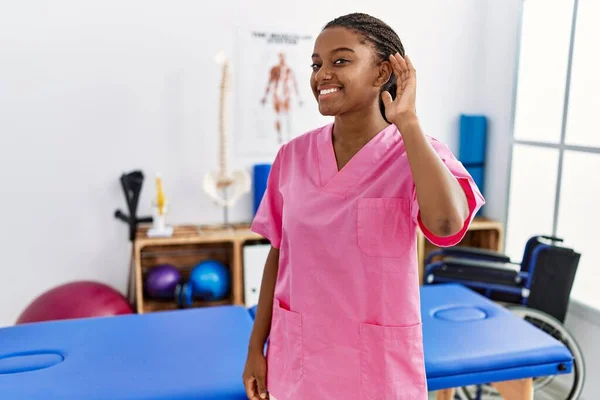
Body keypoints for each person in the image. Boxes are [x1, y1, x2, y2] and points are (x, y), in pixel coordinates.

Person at [243, 12, 485, 400]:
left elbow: (445, 224)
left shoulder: (418, 152)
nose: (322, 74)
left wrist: (407, 121)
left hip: (378, 371)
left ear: (381, 72)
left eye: (340, 60)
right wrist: (256, 347)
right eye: (316, 63)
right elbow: (278, 253)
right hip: (299, 360)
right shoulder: (292, 156)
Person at [260, 52, 303, 144]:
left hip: (286, 95)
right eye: (280, 57)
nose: (282, 59)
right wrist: (265, 97)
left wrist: (299, 98)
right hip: (277, 94)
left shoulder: (289, 70)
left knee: (288, 116)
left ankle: (288, 137)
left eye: (283, 57)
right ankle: (279, 137)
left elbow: (295, 83)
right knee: (278, 116)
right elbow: (269, 82)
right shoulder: (274, 69)